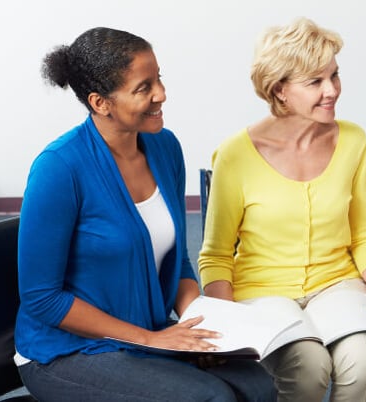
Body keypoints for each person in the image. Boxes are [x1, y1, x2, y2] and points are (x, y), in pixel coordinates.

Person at [15, 27, 276, 402]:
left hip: (147, 330)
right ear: (100, 102)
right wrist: (151, 339)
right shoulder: (59, 168)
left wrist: (198, 323)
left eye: (159, 79)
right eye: (143, 87)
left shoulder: (164, 147)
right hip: (64, 352)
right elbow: (42, 298)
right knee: (209, 397)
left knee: (258, 385)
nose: (161, 94)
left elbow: (177, 261)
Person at [198, 18, 366, 402]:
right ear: (280, 90)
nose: (332, 90)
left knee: (362, 361)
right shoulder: (235, 154)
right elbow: (216, 255)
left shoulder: (353, 140)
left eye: (334, 76)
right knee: (309, 366)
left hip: (338, 284)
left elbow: (365, 236)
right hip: (262, 291)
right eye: (315, 82)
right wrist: (226, 324)